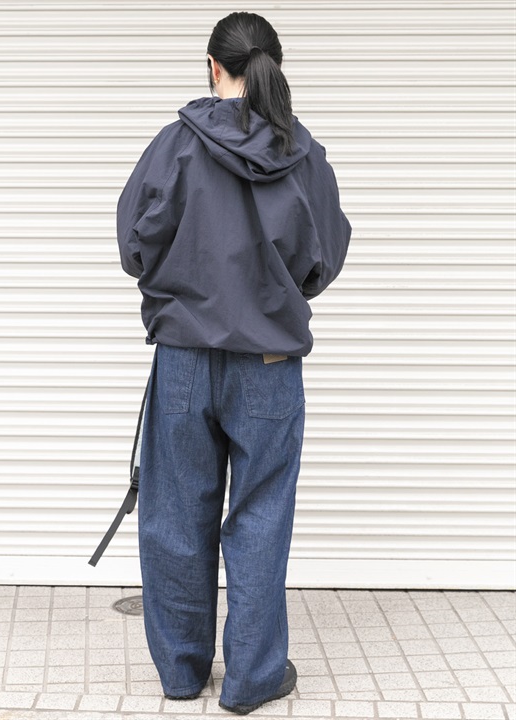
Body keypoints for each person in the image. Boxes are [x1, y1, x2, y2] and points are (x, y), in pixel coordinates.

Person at [116, 11, 352, 715]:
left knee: (173, 516)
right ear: (275, 67)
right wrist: (272, 295)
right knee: (261, 517)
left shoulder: (175, 145)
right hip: (269, 363)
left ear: (213, 66)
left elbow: (133, 245)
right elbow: (324, 258)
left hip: (185, 360)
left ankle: (181, 674)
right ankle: (251, 680)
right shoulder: (304, 154)